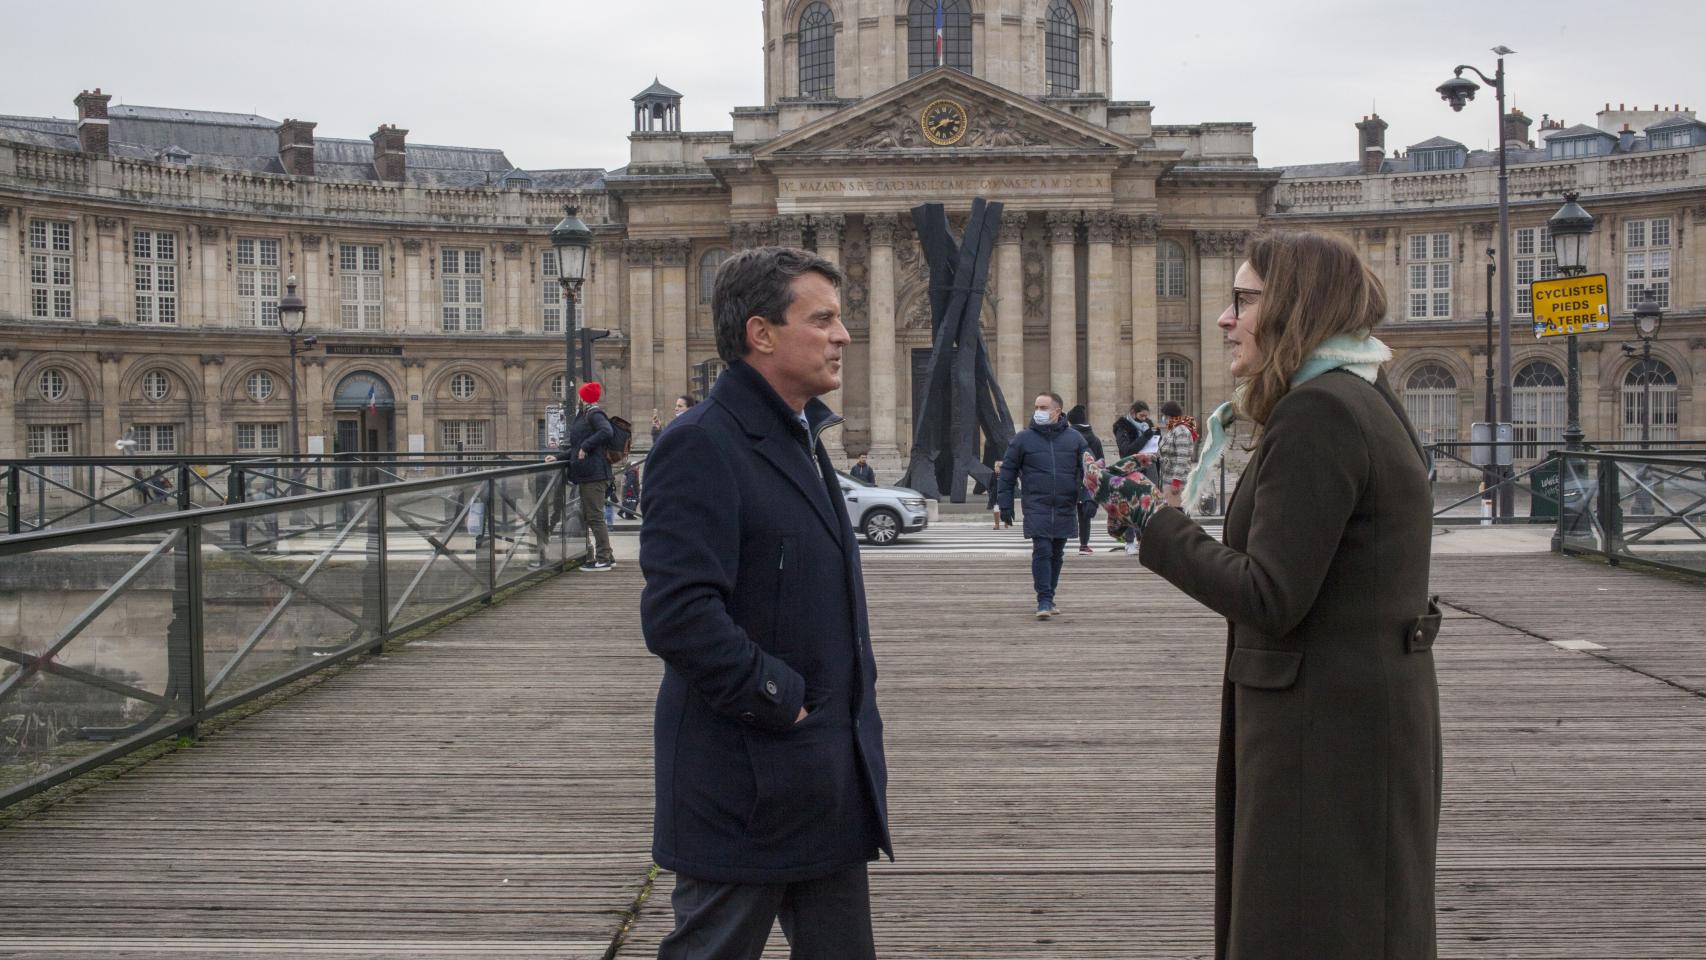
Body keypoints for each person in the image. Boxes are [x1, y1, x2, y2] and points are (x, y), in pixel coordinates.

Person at [1086, 230, 1441, 959]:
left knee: (1307, 927)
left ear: (1297, 309)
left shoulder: (1318, 414)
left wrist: (1151, 524)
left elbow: (1272, 593)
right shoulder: (1366, 396)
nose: (1224, 317)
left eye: (1245, 299)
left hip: (1322, 733)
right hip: (1362, 716)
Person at [639, 246, 890, 960]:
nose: (843, 335)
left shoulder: (801, 436)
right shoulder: (703, 444)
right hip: (745, 782)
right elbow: (679, 617)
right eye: (824, 319)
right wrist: (784, 699)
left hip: (825, 777)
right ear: (762, 333)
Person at [997, 392, 1087, 620]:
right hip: (1037, 503)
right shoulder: (1022, 439)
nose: (1038, 411)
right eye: (1037, 406)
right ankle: (1044, 599)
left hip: (1065, 503)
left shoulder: (1075, 439)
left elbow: (1090, 472)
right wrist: (1005, 504)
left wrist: (1089, 499)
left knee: (1057, 552)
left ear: (1057, 411)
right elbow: (1007, 472)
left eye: (1043, 407)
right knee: (1043, 549)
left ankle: (1050, 596)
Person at [562, 381, 616, 571]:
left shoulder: (594, 414)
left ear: (583, 397)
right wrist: (558, 457)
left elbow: (606, 431)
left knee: (594, 516)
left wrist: (586, 446)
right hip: (587, 473)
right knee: (590, 516)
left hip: (594, 474)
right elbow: (576, 446)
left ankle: (604, 559)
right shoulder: (585, 414)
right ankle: (606, 555)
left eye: (580, 394)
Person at [1066, 405, 1104, 555]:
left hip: (1069, 479)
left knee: (1064, 512)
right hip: (1087, 481)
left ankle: (1060, 542)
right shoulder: (1094, 439)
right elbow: (1101, 462)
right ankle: (1084, 545)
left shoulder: (1068, 437)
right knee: (1084, 516)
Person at [1156, 400, 1197, 509]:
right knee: (1171, 514)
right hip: (1168, 479)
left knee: (1178, 514)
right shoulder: (1173, 429)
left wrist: (1176, 482)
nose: (1163, 418)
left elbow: (1182, 458)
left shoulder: (1181, 431)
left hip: (1177, 482)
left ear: (1170, 415)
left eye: (1164, 415)